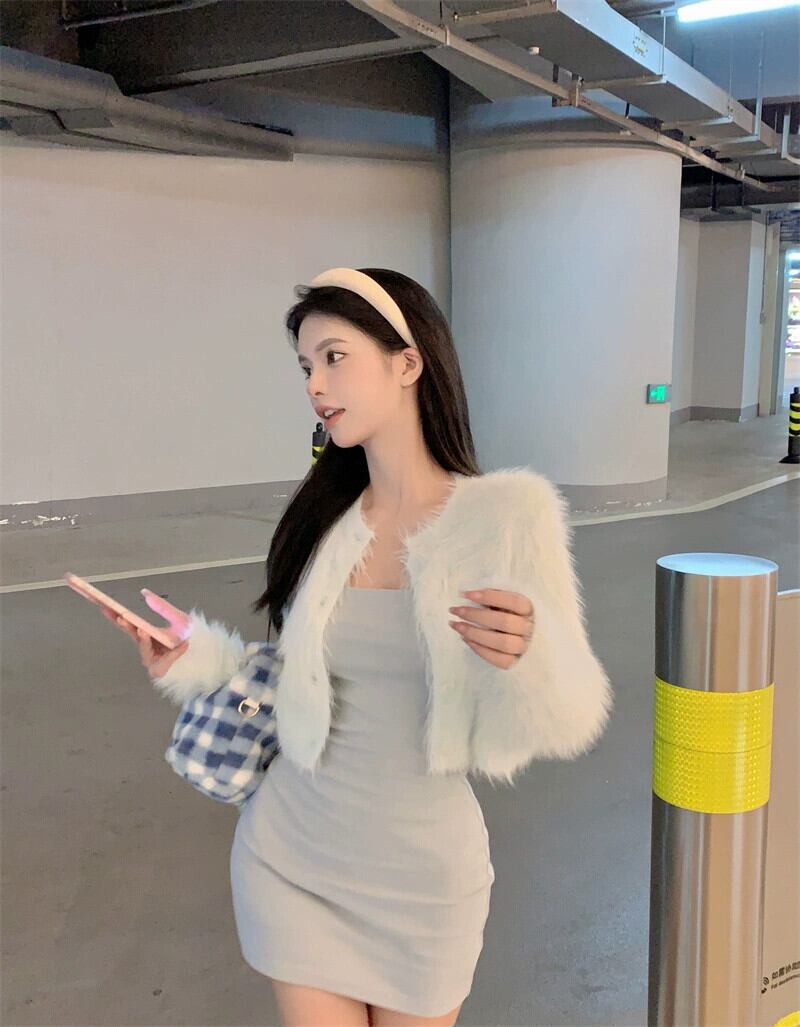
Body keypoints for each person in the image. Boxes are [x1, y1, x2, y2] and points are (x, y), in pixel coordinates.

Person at [105, 267, 612, 1026]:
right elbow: (292, 676)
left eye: (335, 357)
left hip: (424, 880)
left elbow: (569, 716)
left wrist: (531, 654)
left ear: (407, 362)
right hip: (292, 858)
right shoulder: (326, 518)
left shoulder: (507, 517)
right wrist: (195, 658)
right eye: (306, 366)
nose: (315, 384)